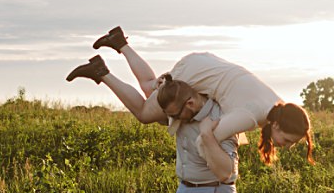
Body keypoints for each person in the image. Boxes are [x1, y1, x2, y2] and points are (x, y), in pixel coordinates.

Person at [66, 26, 315, 165]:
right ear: (277, 125)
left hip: (205, 65)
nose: (287, 145)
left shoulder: (277, 105)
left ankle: (119, 42)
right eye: (287, 139)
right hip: (196, 74)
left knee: (152, 90)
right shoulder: (252, 116)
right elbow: (207, 138)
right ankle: (101, 71)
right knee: (145, 112)